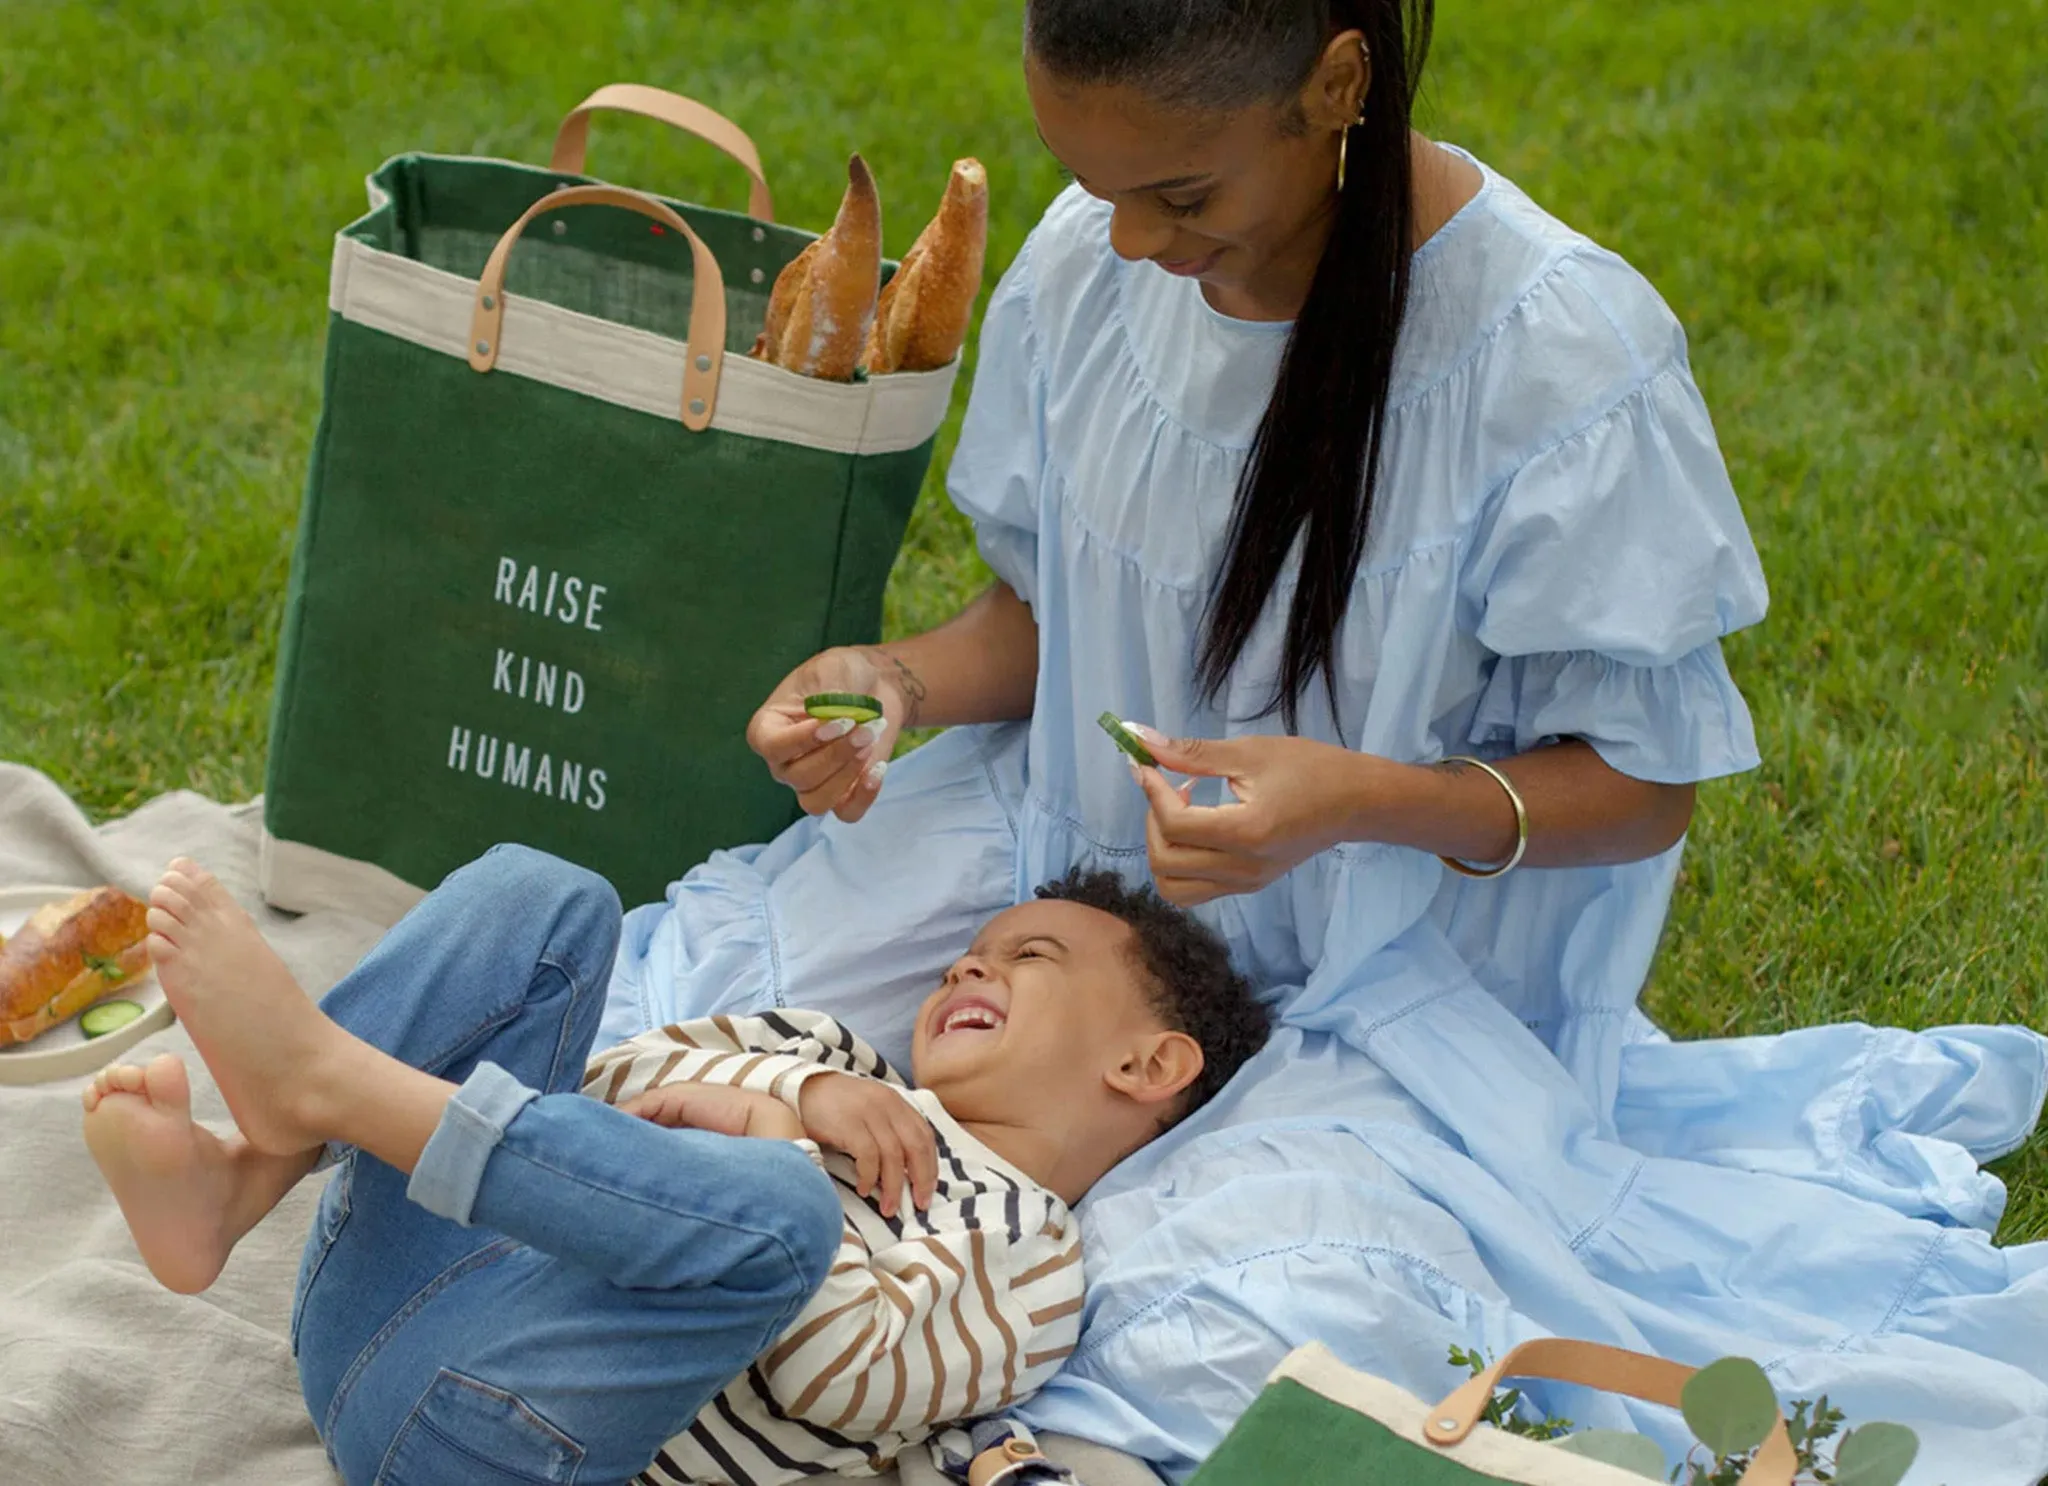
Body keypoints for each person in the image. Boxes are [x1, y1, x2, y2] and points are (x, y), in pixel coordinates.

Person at [602, 1, 2048, 1480]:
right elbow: (1052, 613)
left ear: (1339, 82)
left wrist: (1356, 799)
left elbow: (1641, 785)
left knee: (1257, 1324)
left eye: (1181, 197)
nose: (1133, 248)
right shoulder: (1090, 264)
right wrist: (892, 677)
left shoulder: (1556, 353)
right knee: (694, 1019)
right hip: (1061, 884)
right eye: (1100, 192)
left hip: (1381, 977)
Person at [79, 850, 1272, 1485]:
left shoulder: (1030, 1259)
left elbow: (836, 1378)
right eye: (959, 957)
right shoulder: (824, 1053)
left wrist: (769, 1146)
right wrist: (800, 1090)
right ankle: (249, 1169)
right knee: (548, 902)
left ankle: (314, 1086)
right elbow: (580, 1100)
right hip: (386, 1293)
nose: (964, 970)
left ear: (1146, 1061)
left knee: (782, 1214)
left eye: (1026, 956)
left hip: (497, 1435)